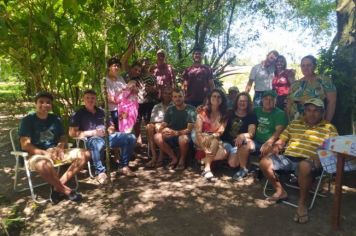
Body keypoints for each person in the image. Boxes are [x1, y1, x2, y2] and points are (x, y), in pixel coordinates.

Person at [259, 98, 338, 223]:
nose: (312, 113)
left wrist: (320, 156)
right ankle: (280, 191)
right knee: (264, 162)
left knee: (304, 166)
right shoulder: (295, 124)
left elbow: (334, 149)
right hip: (289, 158)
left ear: (322, 112)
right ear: (304, 111)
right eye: (308, 110)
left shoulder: (329, 128)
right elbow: (282, 140)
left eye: (316, 111)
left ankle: (302, 204)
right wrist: (276, 146)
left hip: (311, 160)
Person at [19, 92, 90, 203]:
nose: (45, 104)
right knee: (44, 164)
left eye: (48, 102)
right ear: (35, 104)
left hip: (56, 151)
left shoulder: (55, 119)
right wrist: (44, 153)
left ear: (51, 105)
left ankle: (57, 187)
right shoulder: (27, 120)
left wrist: (60, 147)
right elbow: (25, 145)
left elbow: (63, 137)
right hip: (35, 154)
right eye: (41, 102)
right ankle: (66, 191)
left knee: (85, 154)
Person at [69, 89, 137, 181]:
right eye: (87, 98)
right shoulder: (78, 113)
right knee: (96, 142)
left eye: (93, 98)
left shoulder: (101, 111)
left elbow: (112, 126)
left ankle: (123, 166)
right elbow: (72, 133)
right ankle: (100, 172)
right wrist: (93, 133)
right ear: (83, 99)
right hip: (91, 139)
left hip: (107, 136)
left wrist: (109, 130)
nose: (90, 100)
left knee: (130, 137)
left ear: (96, 99)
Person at [154, 88, 196, 170]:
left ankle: (182, 160)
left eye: (180, 96)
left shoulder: (191, 109)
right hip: (172, 135)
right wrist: (160, 128)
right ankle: (173, 158)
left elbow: (189, 129)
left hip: (186, 136)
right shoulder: (170, 109)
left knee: (182, 138)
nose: (177, 99)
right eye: (175, 97)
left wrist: (176, 133)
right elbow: (164, 124)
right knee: (157, 136)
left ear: (184, 97)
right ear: (172, 98)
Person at [287, 55, 336, 122]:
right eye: (303, 65)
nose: (305, 68)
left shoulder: (324, 80)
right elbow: (289, 104)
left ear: (315, 66)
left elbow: (332, 102)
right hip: (296, 124)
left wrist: (326, 122)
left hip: (316, 123)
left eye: (309, 65)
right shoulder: (295, 84)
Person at [221, 92, 258, 181]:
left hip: (239, 145)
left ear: (248, 103)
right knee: (228, 158)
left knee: (233, 164)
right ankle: (240, 158)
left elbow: (251, 133)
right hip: (226, 142)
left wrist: (242, 135)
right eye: (240, 101)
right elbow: (221, 127)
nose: (242, 103)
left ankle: (243, 166)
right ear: (236, 102)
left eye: (245, 101)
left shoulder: (251, 115)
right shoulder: (229, 113)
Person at [194, 89, 228, 179]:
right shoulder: (202, 111)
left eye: (219, 97)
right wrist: (204, 148)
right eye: (214, 96)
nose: (216, 98)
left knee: (223, 154)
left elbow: (221, 130)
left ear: (222, 99)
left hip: (214, 136)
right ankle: (207, 168)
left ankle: (203, 161)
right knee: (215, 142)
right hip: (200, 135)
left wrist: (212, 136)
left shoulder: (224, 114)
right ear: (209, 98)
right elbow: (198, 132)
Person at [254, 90, 288, 157]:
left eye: (271, 99)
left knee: (267, 153)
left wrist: (269, 142)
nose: (268, 102)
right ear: (262, 100)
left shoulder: (280, 113)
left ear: (275, 101)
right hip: (255, 141)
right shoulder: (256, 110)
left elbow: (278, 131)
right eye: (266, 99)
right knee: (245, 146)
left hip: (271, 143)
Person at [146, 87, 173, 168]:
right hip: (157, 125)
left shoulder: (174, 105)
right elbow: (152, 120)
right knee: (149, 127)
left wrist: (162, 125)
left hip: (170, 127)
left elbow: (174, 121)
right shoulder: (157, 106)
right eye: (165, 93)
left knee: (160, 128)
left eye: (169, 93)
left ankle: (161, 155)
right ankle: (154, 156)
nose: (167, 95)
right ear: (162, 94)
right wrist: (158, 124)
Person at [105, 56, 127, 130]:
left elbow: (127, 90)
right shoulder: (106, 80)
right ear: (109, 67)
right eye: (114, 65)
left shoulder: (120, 78)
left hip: (123, 108)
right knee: (116, 130)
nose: (117, 67)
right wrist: (121, 97)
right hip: (112, 110)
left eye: (118, 66)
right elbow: (109, 98)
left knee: (123, 130)